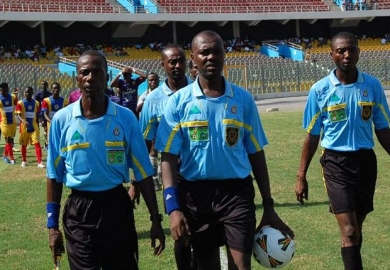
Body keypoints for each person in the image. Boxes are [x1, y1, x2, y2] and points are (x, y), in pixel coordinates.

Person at [155, 30, 294, 270]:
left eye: (216, 51)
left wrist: (268, 205)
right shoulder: (179, 102)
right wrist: (173, 207)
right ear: (194, 58)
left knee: (241, 266)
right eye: (204, 52)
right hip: (195, 197)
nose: (211, 57)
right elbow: (167, 158)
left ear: (224, 55)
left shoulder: (243, 99)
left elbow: (256, 154)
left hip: (236, 194)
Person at [46, 50, 165, 270]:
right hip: (79, 211)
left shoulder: (125, 118)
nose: (91, 77)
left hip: (116, 207)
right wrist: (52, 226)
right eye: (85, 73)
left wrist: (155, 219)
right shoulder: (62, 121)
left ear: (107, 76)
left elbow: (143, 172)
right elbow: (54, 176)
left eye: (97, 72)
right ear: (77, 79)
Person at [295, 31, 390, 270]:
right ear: (332, 55)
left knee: (356, 229)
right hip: (336, 163)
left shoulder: (372, 86)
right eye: (341, 51)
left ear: (359, 52)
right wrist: (301, 176)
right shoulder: (319, 90)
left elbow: (383, 128)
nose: (346, 55)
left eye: (351, 49)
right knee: (348, 230)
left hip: (366, 162)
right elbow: (312, 134)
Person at [139, 44, 196, 269]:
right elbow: (144, 143)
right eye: (171, 62)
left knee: (203, 233)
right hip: (172, 175)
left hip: (200, 173)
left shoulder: (198, 91)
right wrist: (137, 181)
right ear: (163, 65)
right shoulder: (152, 101)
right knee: (180, 231)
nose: (177, 65)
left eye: (180, 60)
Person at [136, 72, 160, 191]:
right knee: (152, 150)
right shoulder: (144, 95)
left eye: (155, 80)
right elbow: (137, 109)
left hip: (161, 125)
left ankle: (160, 176)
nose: (153, 82)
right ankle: (154, 178)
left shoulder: (162, 94)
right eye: (150, 80)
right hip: (148, 126)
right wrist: (147, 102)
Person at [16, 86, 45, 168]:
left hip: (34, 127)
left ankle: (40, 162)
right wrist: (24, 121)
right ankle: (24, 160)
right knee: (24, 145)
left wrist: (40, 122)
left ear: (32, 93)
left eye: (28, 92)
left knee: (37, 143)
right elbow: (18, 115)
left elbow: (38, 114)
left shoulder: (36, 103)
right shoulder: (20, 103)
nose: (27, 94)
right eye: (25, 92)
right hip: (24, 127)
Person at [0, 82, 18, 164]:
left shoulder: (12, 97)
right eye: (3, 91)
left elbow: (16, 103)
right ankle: (12, 159)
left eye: (6, 90)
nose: (4, 92)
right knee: (7, 139)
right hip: (4, 123)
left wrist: (15, 94)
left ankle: (4, 155)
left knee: (10, 140)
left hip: (13, 122)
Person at [34, 80, 52, 149]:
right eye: (42, 84)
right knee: (42, 128)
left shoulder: (49, 94)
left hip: (48, 113)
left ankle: (46, 143)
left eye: (45, 84)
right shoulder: (38, 94)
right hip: (41, 114)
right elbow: (35, 103)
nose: (43, 86)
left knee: (46, 129)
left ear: (47, 86)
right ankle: (44, 142)